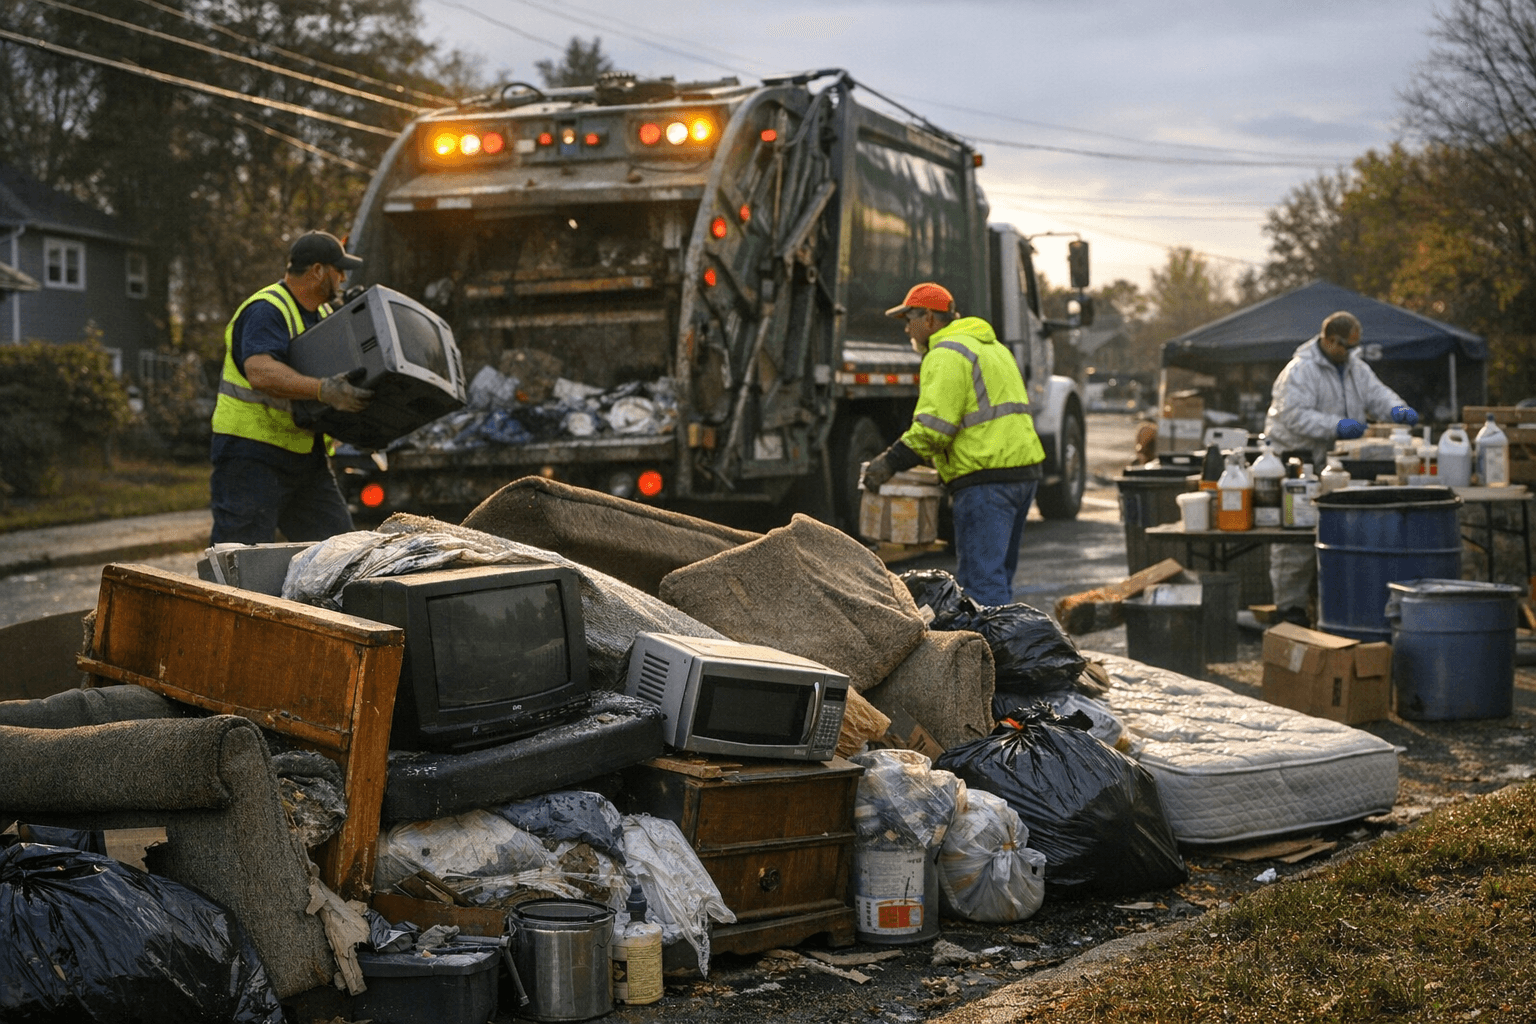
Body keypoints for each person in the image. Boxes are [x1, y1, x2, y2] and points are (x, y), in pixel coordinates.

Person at [861, 282, 1045, 606]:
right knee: (999, 576)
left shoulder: (945, 353)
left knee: (982, 587)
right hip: (1023, 473)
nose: (907, 328)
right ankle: (1011, 647)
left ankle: (991, 654)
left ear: (930, 319)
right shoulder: (993, 348)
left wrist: (889, 462)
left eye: (909, 319)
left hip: (986, 480)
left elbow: (934, 429)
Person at [209, 230, 375, 545]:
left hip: (303, 458)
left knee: (340, 551)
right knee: (240, 560)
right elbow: (260, 371)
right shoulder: (266, 309)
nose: (342, 278)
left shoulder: (324, 314)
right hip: (252, 455)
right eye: (338, 270)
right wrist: (324, 390)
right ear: (318, 271)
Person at [1264, 310, 1418, 626]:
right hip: (1298, 461)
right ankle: (1290, 610)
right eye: (1345, 346)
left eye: (1352, 347)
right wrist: (1338, 425)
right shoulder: (1300, 371)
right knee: (1296, 536)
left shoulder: (1354, 368)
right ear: (1327, 340)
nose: (1349, 352)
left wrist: (1396, 408)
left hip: (1336, 464)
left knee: (1339, 534)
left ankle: (1333, 606)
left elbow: (1377, 395)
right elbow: (1293, 416)